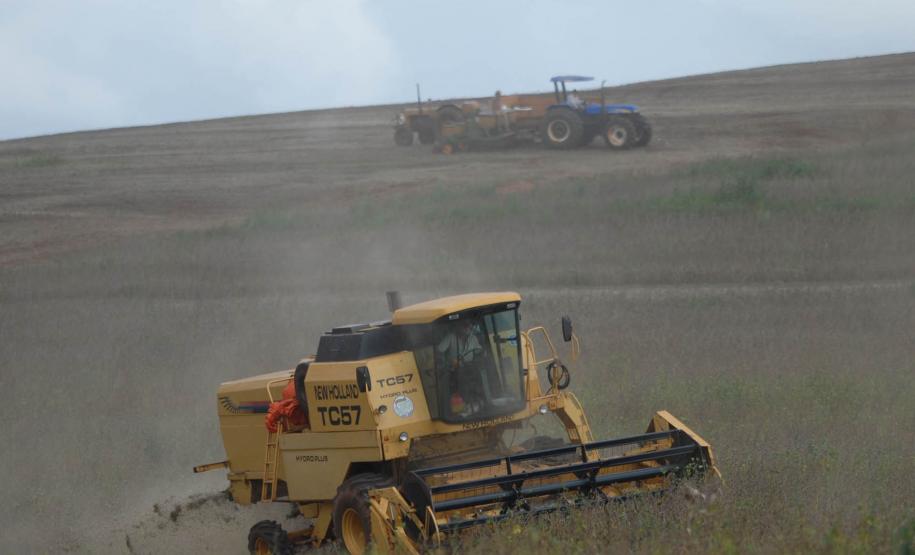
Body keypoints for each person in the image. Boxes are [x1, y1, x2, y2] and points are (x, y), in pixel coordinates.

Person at [437, 319, 484, 414]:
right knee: (460, 384)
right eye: (464, 325)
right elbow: (439, 351)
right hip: (454, 370)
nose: (467, 328)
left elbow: (479, 351)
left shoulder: (473, 338)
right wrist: (447, 362)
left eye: (468, 325)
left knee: (480, 379)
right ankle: (462, 408)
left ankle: (478, 403)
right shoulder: (450, 337)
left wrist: (482, 354)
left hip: (471, 368)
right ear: (458, 326)